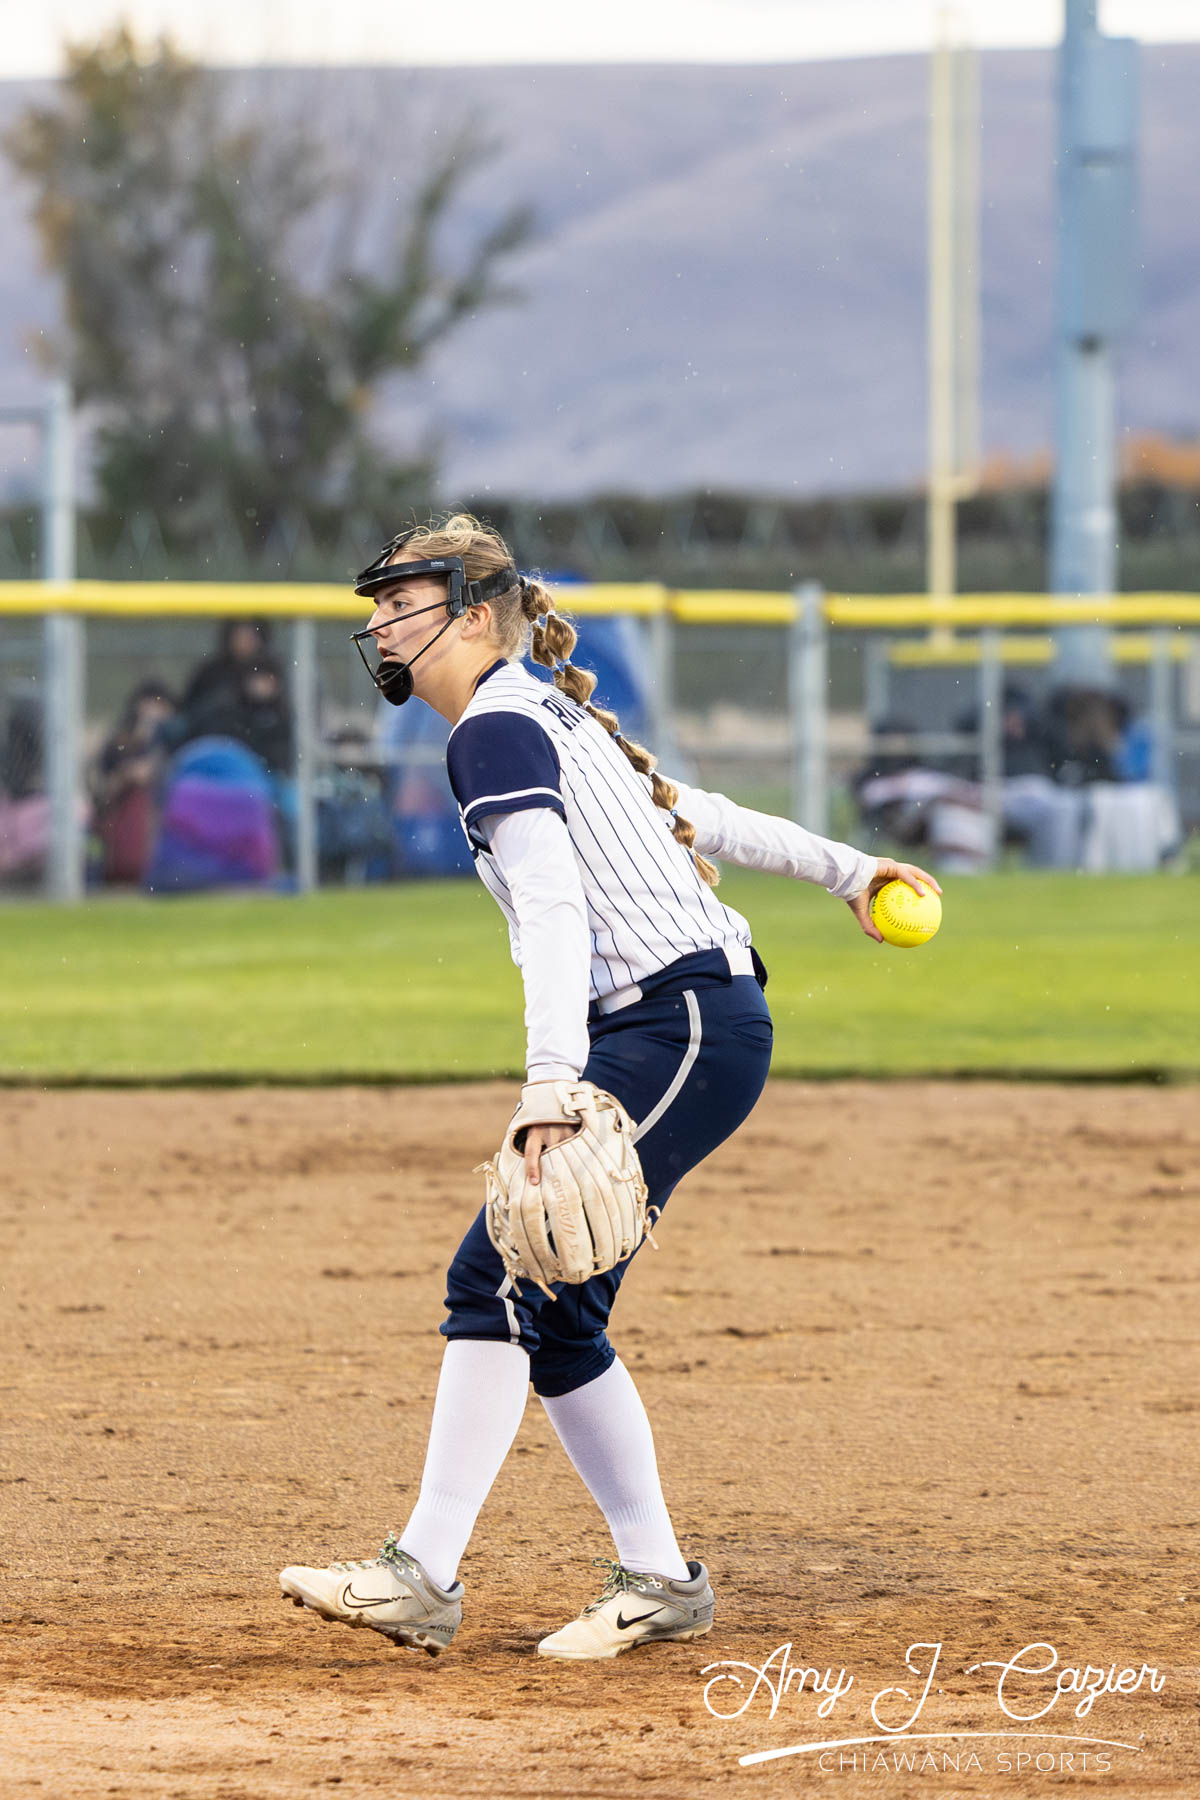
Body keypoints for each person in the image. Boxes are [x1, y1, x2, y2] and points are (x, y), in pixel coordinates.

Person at [279, 514, 938, 1660]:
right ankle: (648, 1580)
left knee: (503, 1270)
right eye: (377, 604)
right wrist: (851, 870)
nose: (380, 623)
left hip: (677, 1024)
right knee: (548, 1304)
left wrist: (549, 1083)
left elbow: (553, 906)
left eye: (401, 601)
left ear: (472, 617)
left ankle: (429, 1575)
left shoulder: (498, 728)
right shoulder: (544, 713)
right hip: (681, 1024)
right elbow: (699, 817)